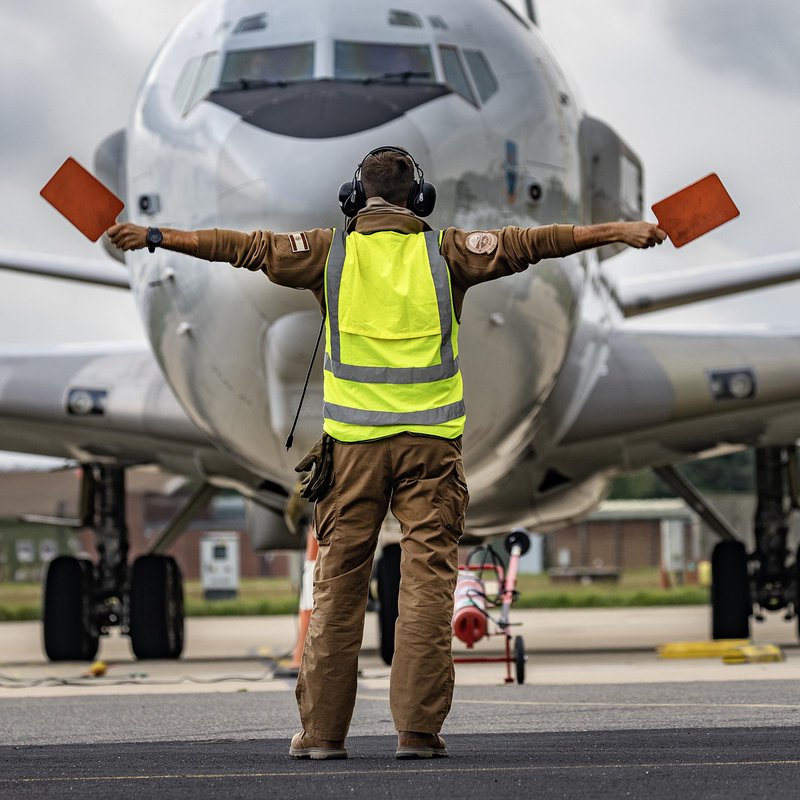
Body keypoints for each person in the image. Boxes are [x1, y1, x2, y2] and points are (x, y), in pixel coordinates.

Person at [107, 145, 666, 760]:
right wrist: (622, 230)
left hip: (352, 455)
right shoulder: (448, 253)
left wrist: (155, 235)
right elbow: (539, 242)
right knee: (428, 591)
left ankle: (321, 737)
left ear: (355, 196)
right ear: (417, 198)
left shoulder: (328, 253)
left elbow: (239, 246)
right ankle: (418, 733)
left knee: (338, 592)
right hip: (431, 452)